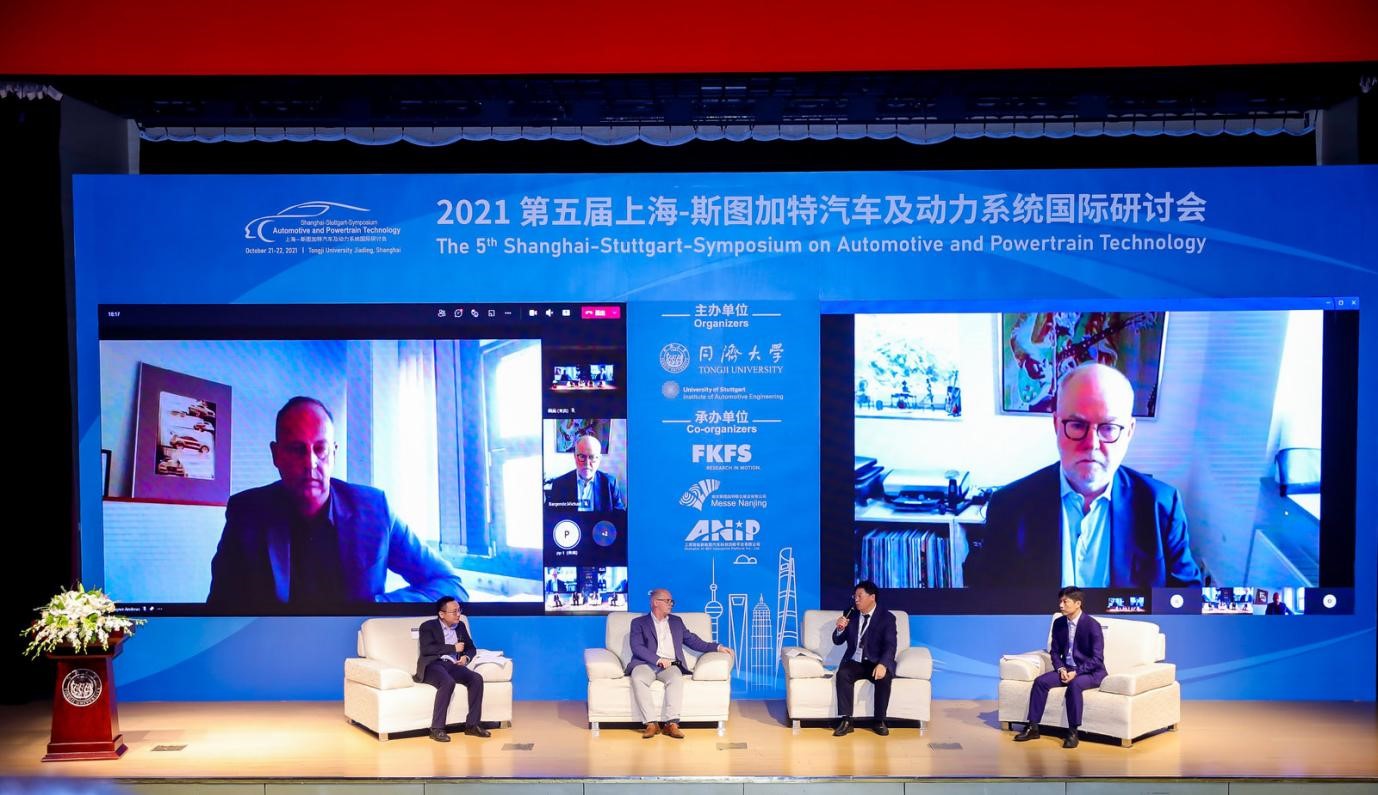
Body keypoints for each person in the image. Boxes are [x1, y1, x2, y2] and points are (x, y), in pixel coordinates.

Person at [208, 396, 466, 608]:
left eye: (320, 449)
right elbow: (219, 610)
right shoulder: (246, 513)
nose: (311, 463)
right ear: (276, 455)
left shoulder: (375, 510)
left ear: (334, 452)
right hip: (276, 649)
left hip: (357, 648)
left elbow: (449, 583)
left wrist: (378, 607)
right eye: (297, 449)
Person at [967, 363, 1201, 589]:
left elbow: (1185, 600)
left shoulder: (1162, 506)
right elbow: (990, 599)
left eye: (1109, 428)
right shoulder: (1008, 506)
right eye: (1078, 425)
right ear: (1056, 425)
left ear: (1129, 432)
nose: (1092, 444)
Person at [626, 588, 732, 739]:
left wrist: (717, 647)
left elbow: (693, 641)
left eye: (672, 601)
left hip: (670, 665)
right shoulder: (638, 623)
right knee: (638, 677)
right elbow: (637, 647)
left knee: (676, 677)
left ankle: (671, 724)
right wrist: (657, 660)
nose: (671, 604)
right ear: (655, 602)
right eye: (667, 601)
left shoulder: (676, 622)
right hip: (645, 663)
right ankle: (651, 723)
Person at [1015, 586, 1106, 748]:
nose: (1061, 605)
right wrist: (1061, 669)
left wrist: (1076, 672)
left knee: (1075, 685)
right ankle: (1033, 727)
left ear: (1078, 603)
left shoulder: (1092, 625)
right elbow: (1055, 652)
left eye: (1065, 602)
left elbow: (1097, 659)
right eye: (1060, 602)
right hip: (1067, 668)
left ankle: (1072, 732)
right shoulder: (1059, 623)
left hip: (1091, 672)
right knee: (1040, 682)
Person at [415, 596, 490, 742]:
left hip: (453, 665)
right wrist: (452, 648)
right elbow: (427, 649)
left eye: (459, 610)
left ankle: (472, 725)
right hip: (433, 664)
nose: (458, 614)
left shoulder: (460, 626)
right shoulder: (428, 626)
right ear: (441, 614)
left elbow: (471, 648)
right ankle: (437, 729)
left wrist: (466, 657)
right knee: (447, 682)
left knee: (476, 678)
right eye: (454, 611)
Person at [831, 580, 898, 737]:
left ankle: (879, 720)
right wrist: (840, 629)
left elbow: (890, 645)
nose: (856, 599)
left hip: (875, 661)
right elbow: (837, 640)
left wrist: (883, 664)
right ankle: (847, 720)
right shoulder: (851, 613)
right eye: (854, 596)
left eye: (859, 596)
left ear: (872, 597)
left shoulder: (887, 618)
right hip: (855, 661)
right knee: (843, 674)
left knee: (884, 677)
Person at [545, 434, 626, 512]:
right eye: (582, 456)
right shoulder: (559, 484)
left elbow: (619, 515)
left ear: (599, 459)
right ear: (575, 457)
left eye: (592, 457)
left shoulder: (610, 483)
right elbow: (551, 514)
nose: (587, 463)